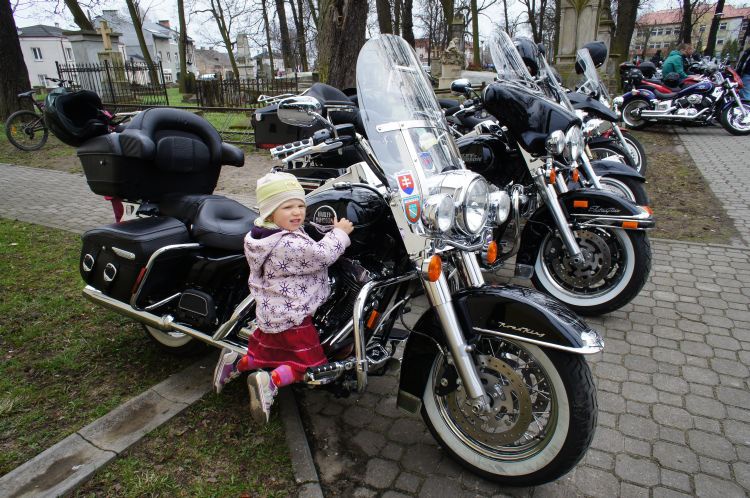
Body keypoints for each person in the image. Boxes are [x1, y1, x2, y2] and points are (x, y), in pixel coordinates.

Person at [212, 171, 354, 423]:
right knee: (309, 368)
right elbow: (321, 255)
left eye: (301, 205)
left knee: (263, 356)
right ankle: (271, 382)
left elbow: (302, 239)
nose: (297, 212)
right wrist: (340, 233)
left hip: (271, 313)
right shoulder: (288, 243)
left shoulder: (263, 235)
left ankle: (234, 364)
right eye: (287, 206)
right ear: (269, 212)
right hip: (294, 316)